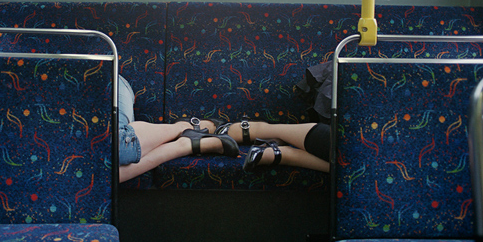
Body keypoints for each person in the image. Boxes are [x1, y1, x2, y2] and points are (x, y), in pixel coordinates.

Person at [117, 76, 330, 183]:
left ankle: (186, 129)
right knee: (104, 168)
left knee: (112, 156)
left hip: (111, 80)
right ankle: (187, 142)